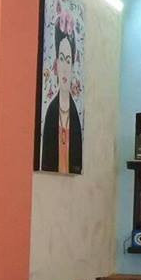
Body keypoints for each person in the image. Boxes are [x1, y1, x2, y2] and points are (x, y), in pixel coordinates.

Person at [40, 12, 82, 173]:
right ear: (56, 63)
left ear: (72, 66)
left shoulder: (75, 118)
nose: (64, 68)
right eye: (62, 59)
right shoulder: (51, 113)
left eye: (68, 60)